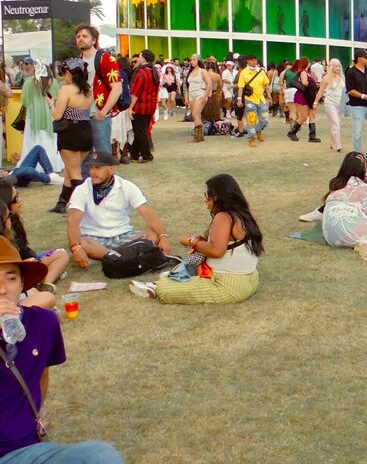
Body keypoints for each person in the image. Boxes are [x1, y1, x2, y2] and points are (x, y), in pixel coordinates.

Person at [0, 239, 205, 464]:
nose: (3, 289)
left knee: (97, 456)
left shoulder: (43, 323)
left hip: (23, 457)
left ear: (22, 284)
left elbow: (39, 378)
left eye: (11, 278)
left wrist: (29, 423)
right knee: (94, 456)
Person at [130, 174, 262, 303]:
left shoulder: (223, 217)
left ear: (217, 197)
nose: (205, 200)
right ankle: (166, 281)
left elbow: (217, 251)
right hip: (250, 280)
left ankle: (157, 287)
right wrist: (203, 242)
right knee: (184, 269)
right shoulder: (243, 215)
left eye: (207, 195)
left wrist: (191, 241)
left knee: (166, 288)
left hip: (228, 285)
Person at [66, 150, 173, 268]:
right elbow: (73, 221)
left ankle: (112, 257)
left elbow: (147, 213)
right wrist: (76, 247)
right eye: (91, 167)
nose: (93, 172)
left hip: (123, 234)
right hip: (93, 238)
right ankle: (122, 256)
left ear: (111, 169)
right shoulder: (82, 189)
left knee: (151, 236)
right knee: (81, 243)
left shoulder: (126, 186)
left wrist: (163, 237)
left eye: (98, 168)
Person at [0, 181, 67, 301]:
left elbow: (26, 251)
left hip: (24, 266)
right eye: (16, 198)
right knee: (47, 299)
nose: (20, 200)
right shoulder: (4, 239)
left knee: (61, 255)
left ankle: (46, 284)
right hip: (19, 271)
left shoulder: (13, 225)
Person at [46, 59, 93, 214]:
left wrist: (51, 104)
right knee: (70, 169)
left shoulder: (66, 89)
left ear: (68, 73)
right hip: (86, 131)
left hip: (70, 133)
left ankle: (85, 206)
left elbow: (57, 115)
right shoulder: (88, 90)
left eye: (64, 74)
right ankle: (62, 202)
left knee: (74, 172)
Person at [321, 153, 367, 259]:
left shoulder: (337, 184)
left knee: (362, 226)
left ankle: (361, 244)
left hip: (330, 234)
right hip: (347, 226)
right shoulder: (361, 186)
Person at [75, 25, 123, 167]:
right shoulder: (78, 61)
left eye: (84, 36)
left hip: (98, 112)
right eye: (78, 36)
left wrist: (103, 112)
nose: (80, 39)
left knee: (102, 153)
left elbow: (117, 88)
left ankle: (107, 179)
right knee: (83, 153)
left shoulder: (105, 59)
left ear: (94, 39)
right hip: (81, 113)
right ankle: (85, 180)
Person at [16, 64, 63, 176]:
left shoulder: (29, 82)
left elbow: (25, 101)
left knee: (32, 140)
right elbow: (56, 99)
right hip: (49, 114)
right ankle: (51, 163)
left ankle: (32, 163)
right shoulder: (54, 82)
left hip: (33, 116)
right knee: (50, 140)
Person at [344, 50, 367, 155]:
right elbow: (350, 90)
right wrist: (364, 96)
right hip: (357, 105)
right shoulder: (351, 72)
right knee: (357, 132)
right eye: (366, 57)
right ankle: (357, 153)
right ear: (359, 58)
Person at [128, 50, 160, 163]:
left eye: (140, 56)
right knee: (141, 131)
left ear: (144, 58)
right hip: (150, 106)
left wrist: (130, 107)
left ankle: (147, 155)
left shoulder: (141, 72)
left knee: (140, 132)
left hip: (140, 107)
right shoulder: (154, 71)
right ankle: (134, 153)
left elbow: (135, 92)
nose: (138, 59)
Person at [236, 54, 270, 148]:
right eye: (252, 60)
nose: (255, 62)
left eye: (255, 60)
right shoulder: (244, 73)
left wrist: (269, 96)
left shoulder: (261, 71)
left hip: (261, 99)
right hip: (250, 99)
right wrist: (239, 99)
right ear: (248, 61)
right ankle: (251, 138)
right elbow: (240, 87)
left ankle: (258, 130)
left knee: (265, 119)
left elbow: (266, 84)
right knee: (251, 120)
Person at [286, 58, 320, 143]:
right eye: (308, 62)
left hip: (308, 96)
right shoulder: (303, 72)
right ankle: (292, 132)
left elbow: (314, 79)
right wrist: (312, 85)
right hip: (303, 96)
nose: (309, 63)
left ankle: (312, 136)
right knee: (304, 116)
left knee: (312, 115)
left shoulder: (307, 72)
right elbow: (304, 83)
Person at [314, 59, 346, 151]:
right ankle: (338, 145)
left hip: (340, 103)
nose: (338, 68)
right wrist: (315, 102)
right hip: (329, 103)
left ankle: (333, 143)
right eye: (335, 66)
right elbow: (320, 91)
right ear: (331, 67)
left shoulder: (342, 77)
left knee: (336, 123)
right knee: (335, 123)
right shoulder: (326, 78)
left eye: (339, 66)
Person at [185, 54, 212, 143]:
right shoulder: (190, 72)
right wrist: (187, 97)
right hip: (191, 94)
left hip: (200, 93)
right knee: (196, 115)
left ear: (198, 61)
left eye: (194, 60)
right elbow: (188, 86)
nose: (192, 61)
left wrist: (205, 95)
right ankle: (199, 135)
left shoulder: (202, 71)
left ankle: (198, 135)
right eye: (191, 60)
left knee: (195, 114)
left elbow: (209, 83)